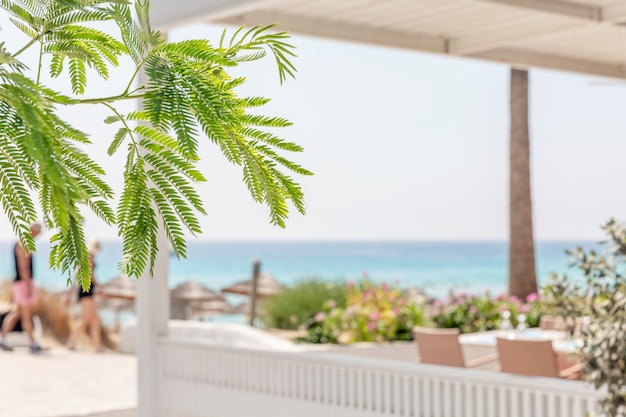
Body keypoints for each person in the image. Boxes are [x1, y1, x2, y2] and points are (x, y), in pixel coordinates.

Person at [0, 223, 42, 353]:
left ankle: (2, 339)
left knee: (16, 313)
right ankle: (32, 342)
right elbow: (24, 268)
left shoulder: (22, 244)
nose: (36, 235)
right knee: (25, 314)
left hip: (19, 284)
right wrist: (28, 286)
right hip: (23, 284)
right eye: (35, 232)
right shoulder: (23, 245)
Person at [65, 239, 104, 352]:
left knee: (95, 319)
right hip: (86, 290)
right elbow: (90, 275)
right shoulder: (88, 257)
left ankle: (97, 345)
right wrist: (100, 286)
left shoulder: (85, 257)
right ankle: (71, 342)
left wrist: (70, 293)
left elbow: (76, 277)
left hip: (87, 290)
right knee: (85, 319)